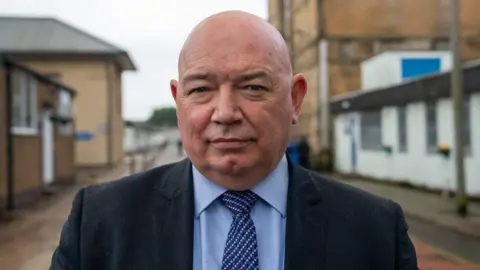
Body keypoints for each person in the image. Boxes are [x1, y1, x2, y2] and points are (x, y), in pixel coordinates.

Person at [50, 11, 418, 270]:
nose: (225, 112)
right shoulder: (101, 221)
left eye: (253, 87)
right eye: (201, 89)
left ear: (295, 99)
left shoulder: (375, 230)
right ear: (178, 100)